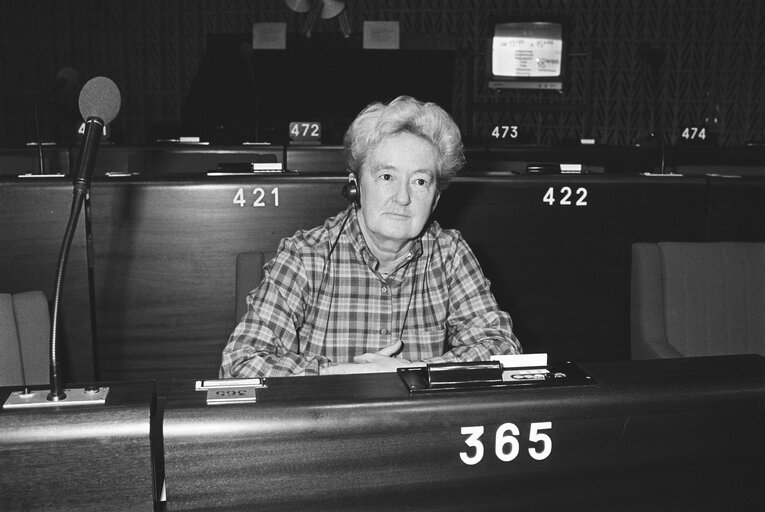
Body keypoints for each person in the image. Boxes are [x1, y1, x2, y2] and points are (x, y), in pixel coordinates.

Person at [220, 96, 521, 378]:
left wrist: (413, 371)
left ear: (436, 199)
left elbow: (503, 349)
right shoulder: (305, 255)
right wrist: (339, 375)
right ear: (355, 187)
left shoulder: (450, 253)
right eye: (386, 177)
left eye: (420, 181)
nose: (403, 198)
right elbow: (240, 362)